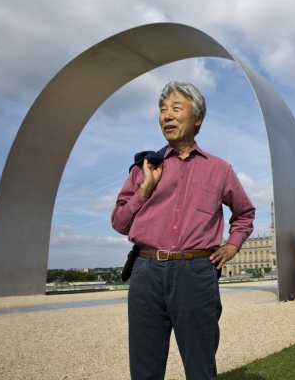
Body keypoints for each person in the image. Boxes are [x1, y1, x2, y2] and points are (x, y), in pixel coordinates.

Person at [111, 81, 255, 380]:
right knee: (144, 369)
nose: (167, 115)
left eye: (177, 108)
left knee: (201, 368)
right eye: (162, 110)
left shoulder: (219, 169)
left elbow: (244, 213)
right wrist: (145, 190)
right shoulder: (144, 167)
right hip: (146, 271)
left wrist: (232, 245)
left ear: (197, 118)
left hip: (196, 272)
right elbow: (119, 223)